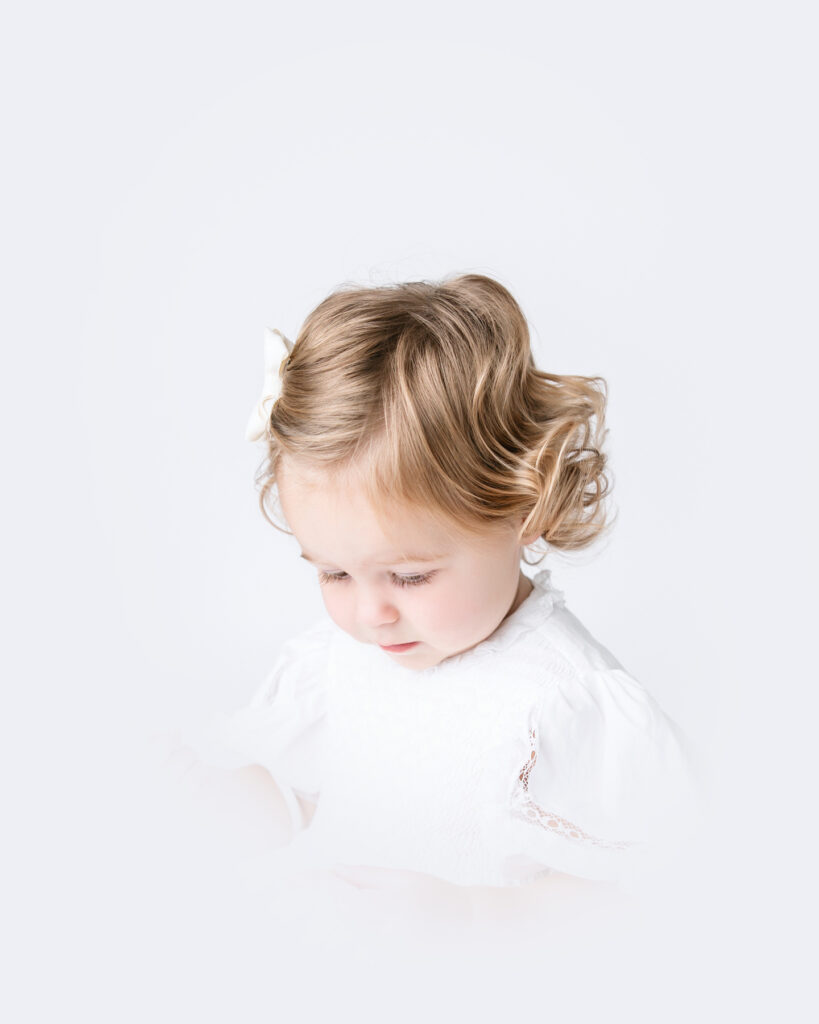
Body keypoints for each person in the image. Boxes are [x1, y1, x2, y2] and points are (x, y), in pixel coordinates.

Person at [181, 273, 700, 895]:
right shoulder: (340, 662)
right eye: (334, 573)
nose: (370, 613)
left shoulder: (560, 707)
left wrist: (466, 918)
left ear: (524, 508)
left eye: (410, 576)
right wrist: (220, 797)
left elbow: (643, 893)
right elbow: (305, 799)